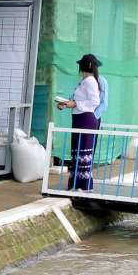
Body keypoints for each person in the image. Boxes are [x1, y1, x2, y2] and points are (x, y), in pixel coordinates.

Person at [57, 53, 102, 191]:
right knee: (78, 153)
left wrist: (75, 104)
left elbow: (95, 102)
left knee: (83, 153)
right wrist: (67, 104)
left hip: (85, 119)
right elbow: (79, 100)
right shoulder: (86, 81)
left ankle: (83, 186)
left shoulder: (89, 81)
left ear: (82, 67)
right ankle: (77, 185)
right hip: (80, 118)